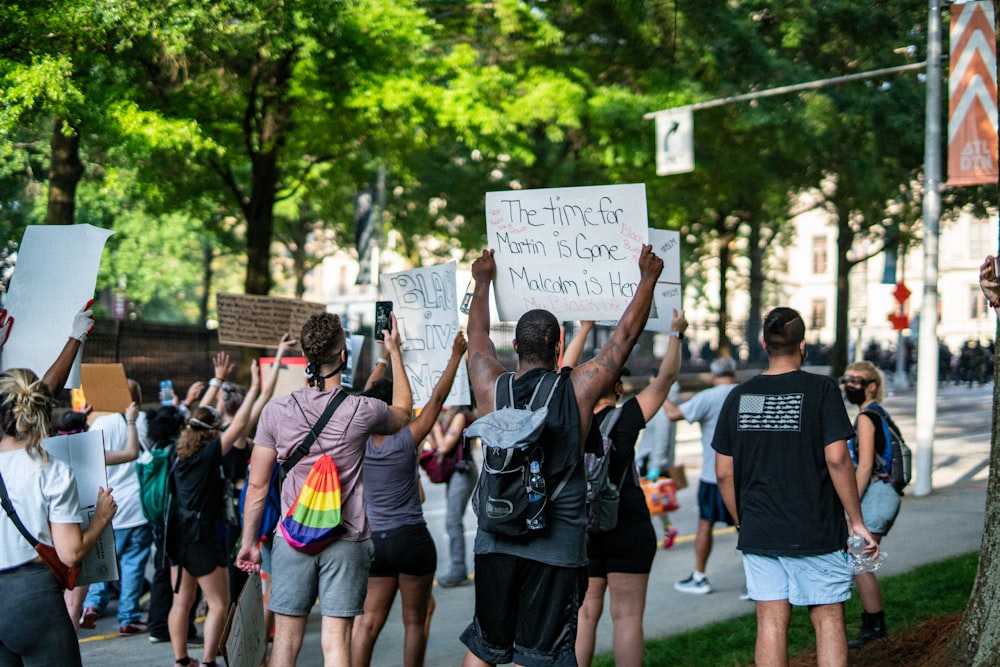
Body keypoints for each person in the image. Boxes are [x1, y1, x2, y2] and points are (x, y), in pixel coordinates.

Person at [459, 245, 663, 667]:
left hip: (494, 542)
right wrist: (647, 279)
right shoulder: (579, 390)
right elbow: (623, 339)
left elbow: (477, 340)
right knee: (543, 656)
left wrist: (482, 282)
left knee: (484, 647)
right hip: (555, 551)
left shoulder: (490, 389)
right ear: (561, 345)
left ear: (514, 344)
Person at [237, 312, 411, 667]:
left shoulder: (276, 411)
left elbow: (257, 485)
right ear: (343, 356)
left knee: (285, 644)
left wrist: (249, 544)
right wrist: (394, 352)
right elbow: (404, 412)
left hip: (292, 539)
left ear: (306, 357)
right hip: (347, 541)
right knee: (337, 645)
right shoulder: (362, 410)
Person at [713, 307, 879, 667]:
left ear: (762, 344)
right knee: (828, 618)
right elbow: (837, 459)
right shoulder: (820, 390)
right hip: (815, 527)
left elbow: (723, 472)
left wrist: (742, 519)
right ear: (802, 345)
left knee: (770, 622)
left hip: (760, 529)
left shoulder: (741, 396)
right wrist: (856, 520)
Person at [564, 312, 688, 667]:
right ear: (617, 388)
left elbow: (562, 374)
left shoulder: (571, 417)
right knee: (628, 617)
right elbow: (665, 379)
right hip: (628, 525)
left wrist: (584, 328)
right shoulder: (627, 419)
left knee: (585, 616)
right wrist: (675, 335)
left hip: (583, 529)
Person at [0, 307, 119, 666]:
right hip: (32, 597)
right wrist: (100, 518)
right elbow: (69, 554)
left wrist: (74, 339)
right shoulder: (51, 472)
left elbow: (39, 393)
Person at [351, 332, 468, 667]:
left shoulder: (356, 440)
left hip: (375, 542)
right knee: (414, 621)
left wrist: (385, 358)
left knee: (369, 623)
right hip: (411, 539)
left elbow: (365, 398)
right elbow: (436, 398)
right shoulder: (406, 439)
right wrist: (455, 355)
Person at [167, 361, 263, 667]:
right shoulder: (208, 455)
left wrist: (214, 384)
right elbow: (240, 423)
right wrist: (259, 387)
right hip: (201, 536)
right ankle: (208, 661)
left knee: (181, 602)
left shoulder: (178, 452)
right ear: (211, 434)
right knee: (219, 603)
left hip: (176, 535)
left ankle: (181, 661)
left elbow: (196, 419)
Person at [662, 355, 740, 595]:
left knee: (706, 524)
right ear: (734, 373)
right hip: (743, 474)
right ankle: (756, 581)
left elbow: (674, 415)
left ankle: (699, 576)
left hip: (713, 474)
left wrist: (661, 391)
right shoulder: (746, 394)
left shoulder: (708, 397)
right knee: (745, 526)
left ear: (714, 374)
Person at [80, 379, 152, 636]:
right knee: (133, 563)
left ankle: (91, 606)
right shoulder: (142, 422)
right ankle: (128, 616)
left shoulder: (99, 424)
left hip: (106, 504)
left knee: (103, 560)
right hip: (136, 507)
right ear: (137, 398)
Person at [841, 361, 901, 648]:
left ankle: (875, 628)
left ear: (872, 386)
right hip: (885, 494)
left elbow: (864, 467)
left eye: (857, 380)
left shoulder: (866, 417)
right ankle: (873, 626)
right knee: (861, 561)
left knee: (860, 562)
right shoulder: (879, 414)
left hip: (877, 494)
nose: (850, 385)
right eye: (847, 379)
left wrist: (849, 504)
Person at [427, 404, 477, 587]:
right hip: (454, 473)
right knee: (452, 521)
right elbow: (436, 447)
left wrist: (433, 426)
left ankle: (458, 569)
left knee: (453, 521)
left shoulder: (461, 415)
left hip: (463, 472)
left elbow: (444, 446)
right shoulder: (449, 415)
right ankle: (458, 568)